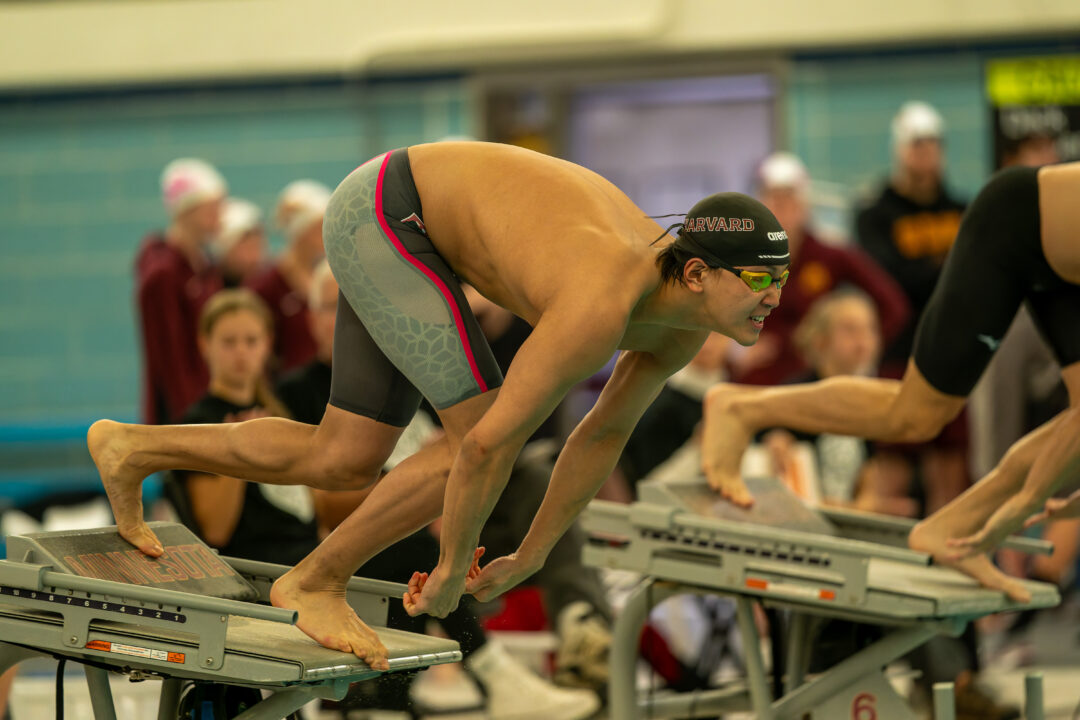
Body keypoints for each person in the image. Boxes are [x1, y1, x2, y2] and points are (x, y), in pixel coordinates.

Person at [87, 140, 791, 669]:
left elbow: (599, 438)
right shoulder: (602, 301)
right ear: (696, 273)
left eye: (782, 279)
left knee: (344, 457)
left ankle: (131, 447)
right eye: (761, 276)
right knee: (472, 434)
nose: (775, 298)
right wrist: (455, 567)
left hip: (400, 222)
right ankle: (315, 580)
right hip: (392, 216)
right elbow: (486, 446)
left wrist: (530, 555)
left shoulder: (679, 328)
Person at [701, 161, 1080, 604]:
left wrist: (1027, 501)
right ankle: (741, 407)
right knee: (918, 414)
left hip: (1061, 255)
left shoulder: (828, 254)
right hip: (1016, 225)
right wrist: (1026, 501)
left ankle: (951, 527)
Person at [730, 152, 909, 386]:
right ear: (761, 204)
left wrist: (860, 348)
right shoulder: (740, 260)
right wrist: (734, 352)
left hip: (817, 385)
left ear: (804, 203)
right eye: (775, 198)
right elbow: (708, 314)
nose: (783, 208)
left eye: (790, 198)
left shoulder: (831, 256)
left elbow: (893, 307)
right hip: (760, 383)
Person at [135, 158, 226, 423]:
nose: (221, 213)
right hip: (184, 415)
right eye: (212, 206)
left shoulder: (204, 266)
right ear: (187, 211)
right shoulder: (163, 275)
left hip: (209, 404)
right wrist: (191, 420)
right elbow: (169, 360)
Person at [246, 180, 330, 374]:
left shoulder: (329, 278)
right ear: (301, 232)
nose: (327, 233)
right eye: (320, 226)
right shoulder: (265, 286)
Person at [211, 198, 267, 289]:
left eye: (258, 247)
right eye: (248, 248)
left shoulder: (268, 288)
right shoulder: (204, 289)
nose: (255, 257)